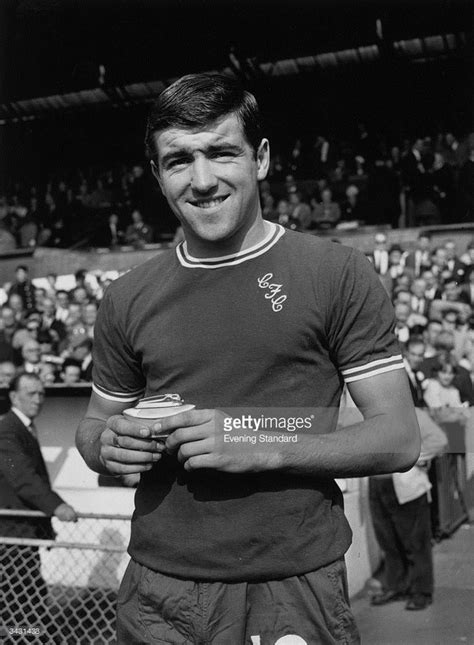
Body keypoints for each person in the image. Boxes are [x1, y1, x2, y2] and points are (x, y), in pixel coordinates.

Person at [75, 73, 420, 644]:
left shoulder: (335, 274)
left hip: (288, 584)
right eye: (179, 160)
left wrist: (255, 445)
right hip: (156, 587)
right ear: (158, 175)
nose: (203, 180)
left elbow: (399, 438)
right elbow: (92, 427)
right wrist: (106, 444)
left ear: (259, 158)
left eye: (221, 152)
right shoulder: (126, 296)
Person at [369, 338, 447, 611]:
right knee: (388, 541)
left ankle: (421, 592)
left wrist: (413, 459)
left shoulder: (413, 413)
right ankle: (396, 587)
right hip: (379, 485)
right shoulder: (372, 416)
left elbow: (439, 440)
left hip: (407, 486)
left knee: (416, 543)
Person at [0, 373, 77, 632]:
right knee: (18, 596)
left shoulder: (23, 427)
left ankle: (29, 635)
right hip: (11, 530)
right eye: (31, 393)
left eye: (42, 393)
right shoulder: (7, 429)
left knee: (28, 593)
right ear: (13, 396)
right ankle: (21, 636)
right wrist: (57, 506)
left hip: (23, 529)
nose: (39, 399)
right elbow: (23, 478)